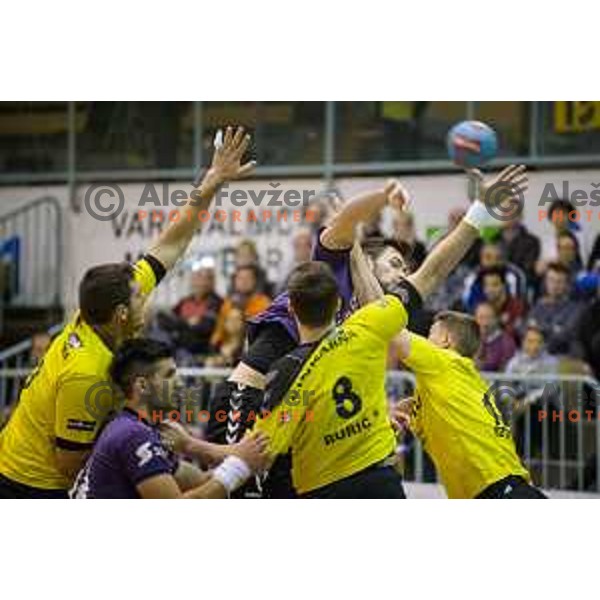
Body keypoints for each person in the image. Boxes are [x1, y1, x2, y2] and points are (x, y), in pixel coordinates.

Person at [0, 126, 255, 498]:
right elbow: (69, 464)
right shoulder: (85, 374)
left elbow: (172, 243)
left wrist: (213, 180)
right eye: (139, 298)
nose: (147, 298)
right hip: (31, 484)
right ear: (121, 313)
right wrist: (146, 445)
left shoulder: (103, 309)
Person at [255, 165, 530, 498]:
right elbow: (342, 226)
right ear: (368, 262)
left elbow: (434, 271)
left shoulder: (381, 318)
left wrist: (379, 413)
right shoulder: (333, 274)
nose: (405, 273)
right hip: (282, 434)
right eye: (396, 264)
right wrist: (375, 203)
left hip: (343, 463)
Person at [69, 339, 268, 499]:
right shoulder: (133, 435)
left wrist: (244, 456)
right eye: (169, 375)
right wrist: (240, 466)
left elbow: (201, 481)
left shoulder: (140, 428)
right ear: (142, 386)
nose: (180, 383)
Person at [392, 311, 545, 498]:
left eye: (431, 334)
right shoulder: (452, 383)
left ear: (446, 341)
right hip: (498, 487)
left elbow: (390, 331)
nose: (425, 339)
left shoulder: (446, 362)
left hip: (499, 489)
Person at [210, 264, 271, 348]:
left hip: (254, 347)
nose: (244, 281)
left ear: (255, 281)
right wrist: (215, 346)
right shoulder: (228, 303)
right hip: (227, 348)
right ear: (234, 281)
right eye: (240, 278)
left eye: (248, 278)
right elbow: (219, 331)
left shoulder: (264, 303)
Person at [528, 262, 583, 355]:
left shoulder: (576, 309)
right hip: (535, 355)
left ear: (567, 284)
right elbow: (526, 329)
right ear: (545, 282)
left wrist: (537, 326)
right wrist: (553, 328)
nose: (555, 285)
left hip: (562, 357)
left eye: (560, 281)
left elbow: (562, 337)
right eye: (551, 280)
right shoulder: (538, 305)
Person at [478, 265, 526, 339]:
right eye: (486, 285)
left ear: (504, 285)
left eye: (495, 285)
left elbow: (517, 335)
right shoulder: (482, 307)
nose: (489, 289)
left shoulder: (517, 306)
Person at [474, 302, 517, 372]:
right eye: (481, 318)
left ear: (496, 319)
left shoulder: (507, 342)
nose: (485, 323)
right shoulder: (469, 339)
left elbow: (505, 371)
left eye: (488, 318)